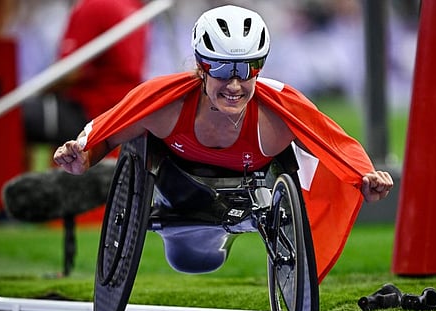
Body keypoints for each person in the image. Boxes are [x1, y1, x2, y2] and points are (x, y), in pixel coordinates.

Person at [54, 5, 393, 280]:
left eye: (245, 69)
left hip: (248, 190)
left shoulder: (278, 114)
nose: (234, 83)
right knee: (188, 256)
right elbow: (107, 132)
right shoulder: (165, 107)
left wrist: (364, 176)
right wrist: (83, 156)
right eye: (221, 68)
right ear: (202, 66)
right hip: (179, 191)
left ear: (259, 68)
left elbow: (332, 141)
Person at [23, 0, 148, 146]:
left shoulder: (94, 4)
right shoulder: (133, 5)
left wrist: (35, 91)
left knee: (13, 116)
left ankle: (10, 168)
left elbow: (70, 73)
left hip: (92, 112)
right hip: (124, 109)